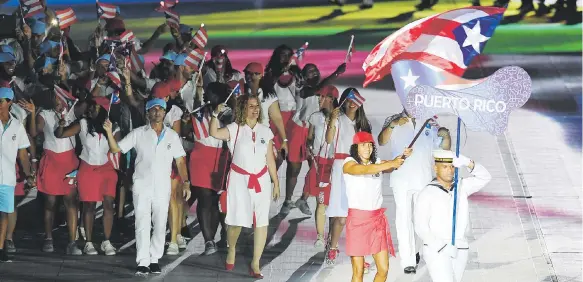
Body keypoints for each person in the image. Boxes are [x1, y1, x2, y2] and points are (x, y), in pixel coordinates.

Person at [102, 98, 191, 276]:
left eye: (160, 109)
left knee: (159, 223)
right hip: (142, 185)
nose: (157, 112)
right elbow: (116, 150)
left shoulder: (172, 136)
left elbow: (180, 160)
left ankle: (154, 259)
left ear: (165, 113)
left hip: (163, 186)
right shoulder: (138, 133)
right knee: (142, 223)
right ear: (147, 113)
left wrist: (186, 181)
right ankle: (143, 261)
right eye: (153, 109)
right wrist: (109, 133)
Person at [209, 95, 280, 278]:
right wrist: (215, 115)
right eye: (251, 106)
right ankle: (231, 248)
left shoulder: (266, 131)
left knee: (262, 221)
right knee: (236, 223)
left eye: (257, 106)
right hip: (239, 180)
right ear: (243, 109)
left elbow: (270, 160)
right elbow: (214, 133)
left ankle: (256, 262)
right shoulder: (235, 129)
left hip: (261, 180)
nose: (255, 109)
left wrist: (276, 182)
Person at [378, 110, 451, 274]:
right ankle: (407, 260)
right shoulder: (393, 118)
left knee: (422, 220)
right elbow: (381, 141)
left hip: (423, 177)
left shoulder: (430, 121)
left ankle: (417, 250)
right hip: (401, 179)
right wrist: (393, 124)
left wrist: (445, 135)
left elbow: (443, 148)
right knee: (403, 219)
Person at [343, 131, 412, 282]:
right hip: (357, 222)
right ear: (356, 147)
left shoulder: (378, 162)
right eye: (363, 145)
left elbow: (392, 165)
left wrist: (403, 156)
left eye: (370, 145)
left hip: (376, 222)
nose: (367, 148)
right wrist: (390, 164)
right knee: (358, 271)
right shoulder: (348, 162)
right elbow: (364, 170)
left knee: (384, 269)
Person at [54, 97, 119, 256]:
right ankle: (89, 243)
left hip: (106, 168)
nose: (91, 110)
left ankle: (106, 241)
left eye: (95, 108)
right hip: (88, 167)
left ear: (103, 109)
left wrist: (109, 131)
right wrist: (61, 126)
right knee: (89, 205)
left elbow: (115, 149)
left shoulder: (113, 126)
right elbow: (60, 135)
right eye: (90, 107)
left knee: (108, 204)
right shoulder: (82, 124)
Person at [414, 150, 491, 282]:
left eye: (452, 166)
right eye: (445, 167)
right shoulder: (426, 193)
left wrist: (468, 163)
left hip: (460, 246)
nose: (450, 170)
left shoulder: (461, 186)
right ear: (435, 168)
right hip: (437, 250)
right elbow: (421, 227)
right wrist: (442, 247)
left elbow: (485, 177)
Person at [29, 90, 81, 255]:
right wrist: (32, 113)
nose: (58, 102)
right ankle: (49, 238)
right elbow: (34, 132)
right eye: (55, 99)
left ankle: (72, 242)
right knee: (50, 203)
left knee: (71, 202)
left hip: (69, 163)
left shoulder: (73, 113)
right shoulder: (45, 114)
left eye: (61, 99)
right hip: (51, 162)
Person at [325, 87, 372, 265]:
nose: (352, 103)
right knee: (341, 215)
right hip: (340, 168)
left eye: (355, 100)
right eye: (349, 99)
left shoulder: (363, 125)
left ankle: (358, 253)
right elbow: (329, 140)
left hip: (358, 170)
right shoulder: (338, 120)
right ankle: (333, 247)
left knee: (356, 215)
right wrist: (332, 120)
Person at [0, 87, 34, 262]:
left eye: (1, 101)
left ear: (10, 102)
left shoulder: (17, 125)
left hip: (8, 176)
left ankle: (4, 244)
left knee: (5, 213)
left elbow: (22, 153)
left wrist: (28, 174)